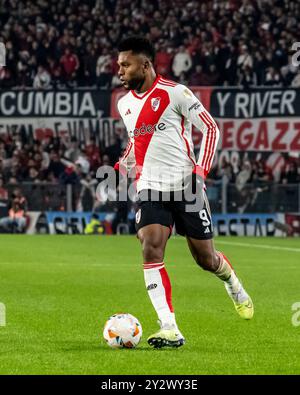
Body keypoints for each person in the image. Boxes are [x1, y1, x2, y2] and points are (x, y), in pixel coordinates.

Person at [114, 36, 254, 349]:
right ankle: (169, 328)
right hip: (150, 186)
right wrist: (120, 167)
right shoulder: (124, 104)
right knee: (150, 245)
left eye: (126, 64)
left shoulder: (176, 93)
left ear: (145, 65)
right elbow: (137, 143)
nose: (119, 70)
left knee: (206, 259)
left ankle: (233, 284)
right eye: (118, 64)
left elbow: (212, 128)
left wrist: (200, 172)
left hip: (186, 186)